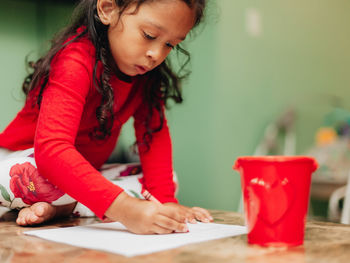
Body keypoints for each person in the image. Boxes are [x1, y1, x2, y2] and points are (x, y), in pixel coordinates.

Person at [0, 0, 213, 234]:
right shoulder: (75, 60)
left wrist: (166, 204)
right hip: (28, 162)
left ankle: (64, 206)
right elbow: (52, 151)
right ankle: (72, 203)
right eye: (149, 35)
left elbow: (154, 138)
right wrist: (125, 208)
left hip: (74, 176)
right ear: (108, 9)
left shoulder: (146, 77)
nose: (156, 54)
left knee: (165, 180)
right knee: (16, 175)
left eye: (170, 45)